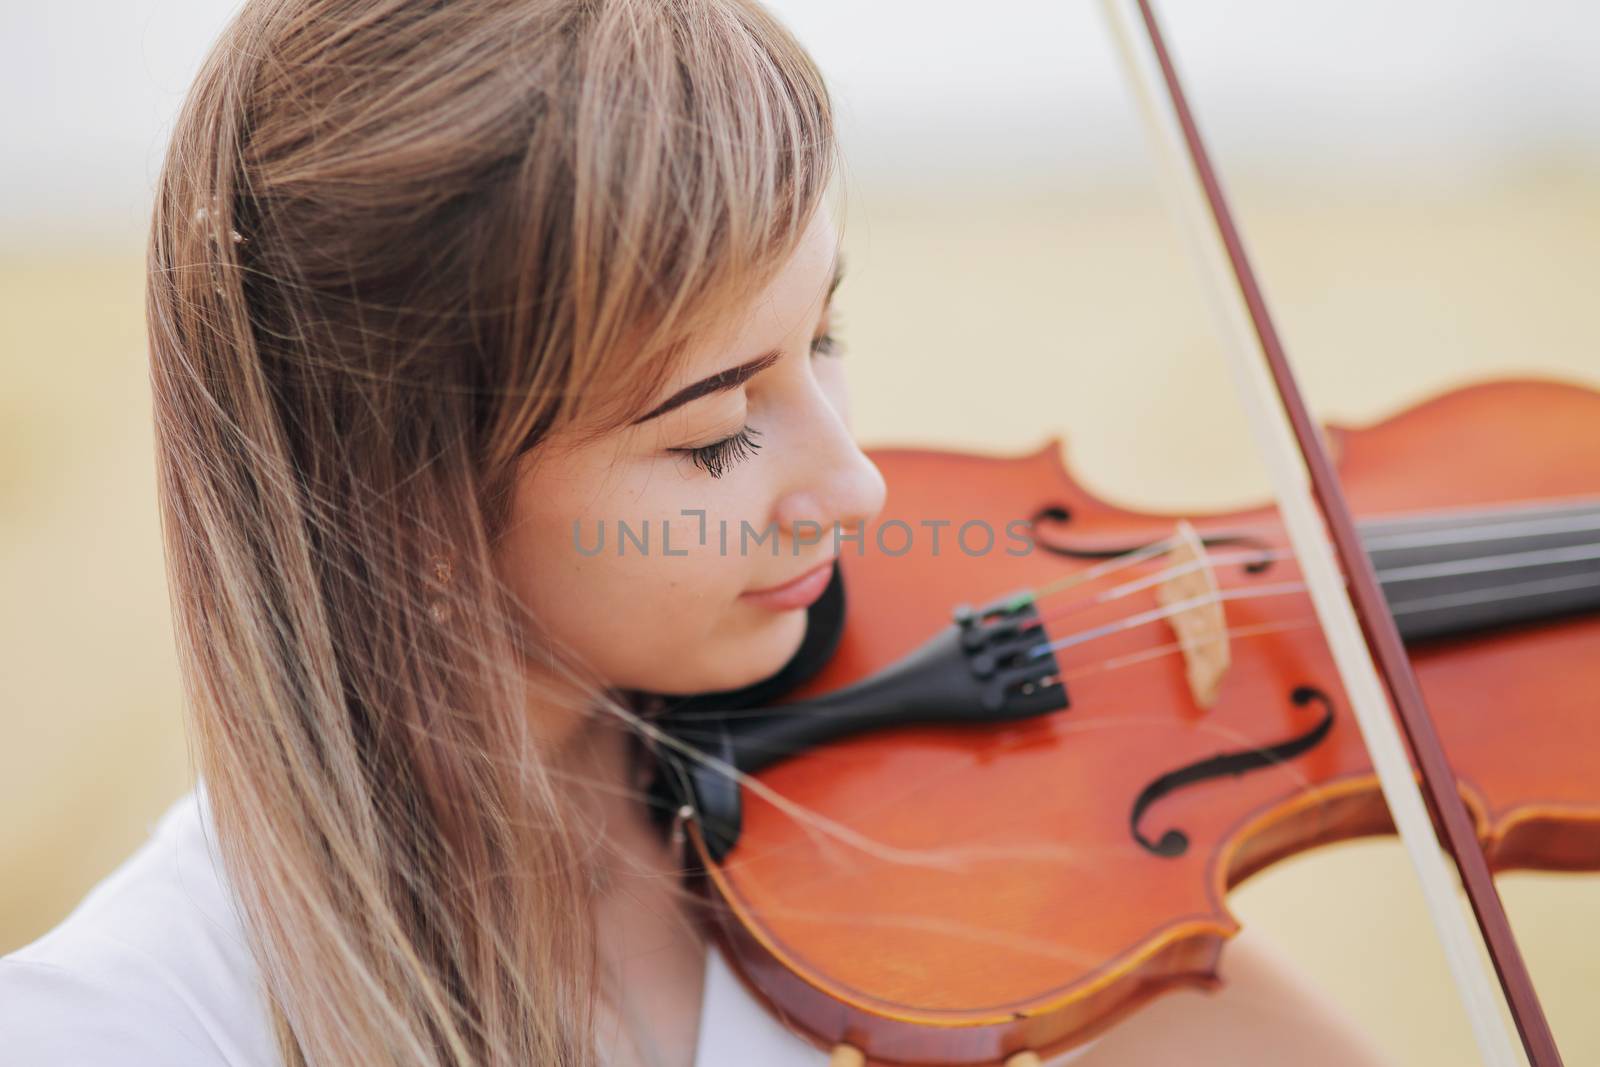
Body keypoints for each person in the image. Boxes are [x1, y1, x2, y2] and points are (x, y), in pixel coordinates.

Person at [0, 1, 1392, 1064]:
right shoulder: (127, 1026)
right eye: (714, 429)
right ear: (401, 509)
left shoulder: (913, 829)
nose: (857, 489)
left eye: (823, 334)